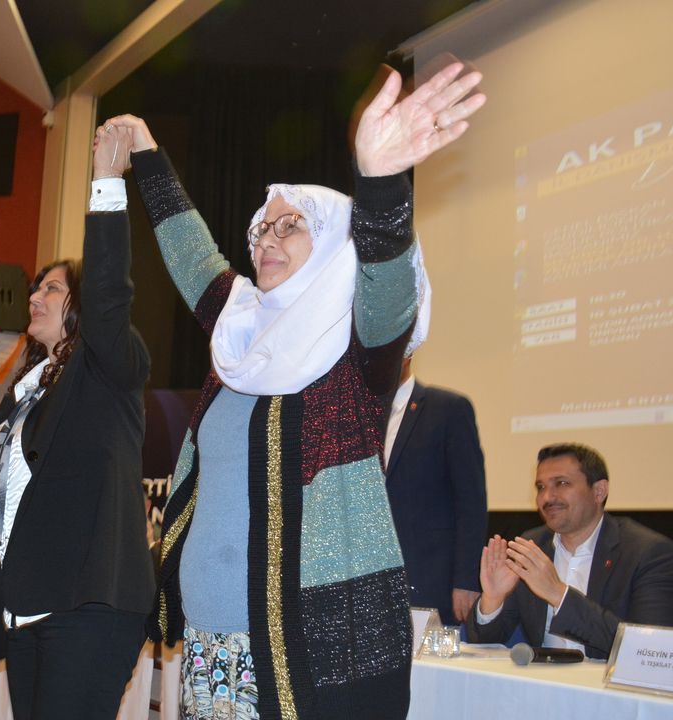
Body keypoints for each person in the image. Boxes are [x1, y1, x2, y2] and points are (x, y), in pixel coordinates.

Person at [108, 61, 486, 719]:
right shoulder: (239, 336)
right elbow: (192, 254)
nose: (267, 238)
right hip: (209, 645)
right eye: (262, 228)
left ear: (337, 243)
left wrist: (380, 184)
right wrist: (146, 152)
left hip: (312, 652)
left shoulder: (354, 356)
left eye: (291, 225)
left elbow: (389, 292)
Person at [0, 123, 154, 719]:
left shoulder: (106, 365)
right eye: (35, 287)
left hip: (88, 604)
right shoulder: (25, 390)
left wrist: (106, 182)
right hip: (24, 607)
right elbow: (4, 493)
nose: (33, 296)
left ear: (81, 304)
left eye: (51, 289)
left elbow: (109, 296)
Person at [466, 443, 673, 660]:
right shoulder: (533, 546)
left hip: (608, 679)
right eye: (540, 487)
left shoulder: (648, 553)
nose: (547, 497)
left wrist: (558, 594)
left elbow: (648, 649)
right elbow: (486, 641)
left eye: (561, 483)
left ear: (599, 491)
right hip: (541, 677)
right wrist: (493, 599)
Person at [383, 356, 488, 625]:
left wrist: (467, 580)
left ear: (407, 354)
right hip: (372, 583)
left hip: (430, 581)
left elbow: (471, 502)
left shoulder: (447, 409)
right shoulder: (355, 417)